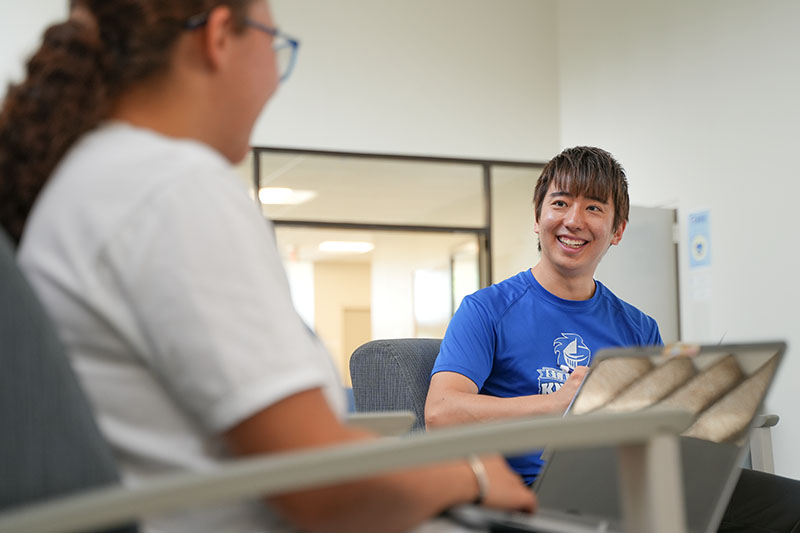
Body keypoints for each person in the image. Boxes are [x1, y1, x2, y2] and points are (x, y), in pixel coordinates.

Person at [0, 1, 535, 532]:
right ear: (219, 37)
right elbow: (327, 488)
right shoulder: (173, 188)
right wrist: (474, 471)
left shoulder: (94, 180)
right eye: (273, 45)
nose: (276, 80)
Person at [424, 146, 800, 531]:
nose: (573, 220)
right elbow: (441, 413)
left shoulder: (638, 327)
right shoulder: (486, 309)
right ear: (538, 218)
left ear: (617, 231)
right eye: (560, 202)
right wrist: (557, 404)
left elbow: (657, 429)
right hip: (533, 494)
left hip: (635, 483)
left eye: (594, 208)